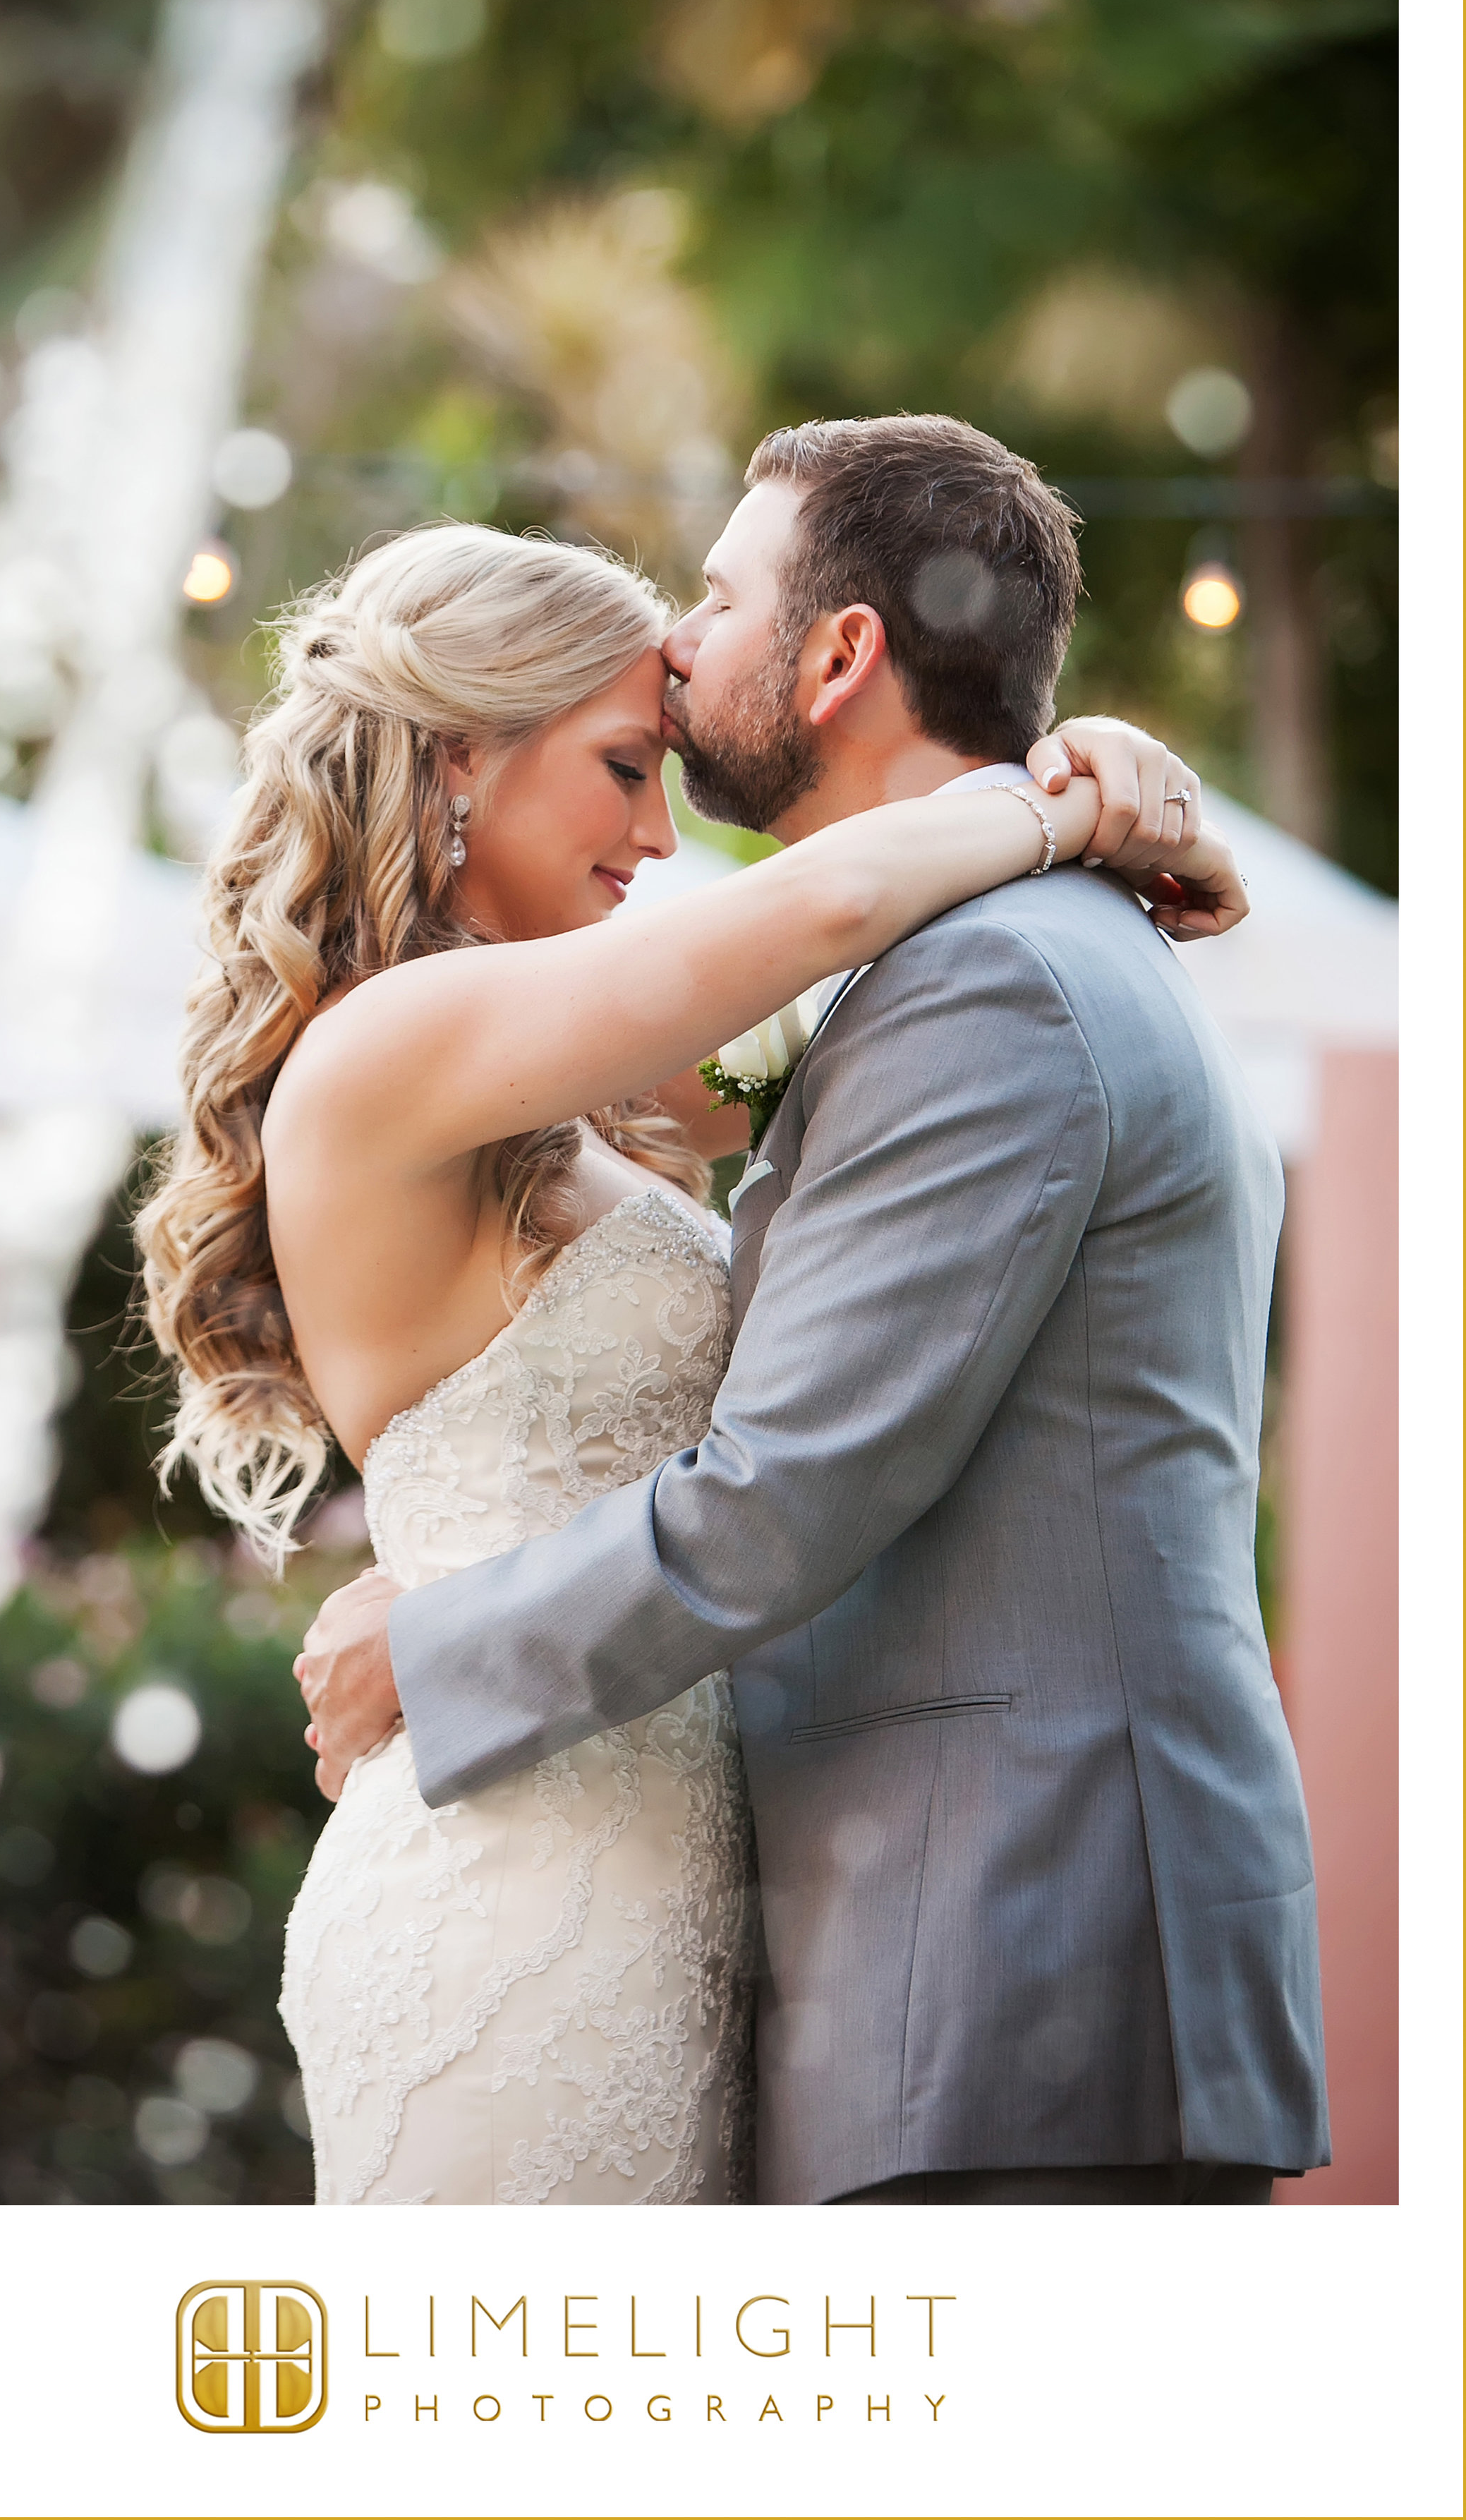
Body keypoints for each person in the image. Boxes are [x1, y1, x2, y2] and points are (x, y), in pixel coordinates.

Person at [140, 468, 1242, 2205]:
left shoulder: (612, 1087)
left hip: (690, 1882)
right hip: (511, 1879)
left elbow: (857, 1025)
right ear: (451, 756)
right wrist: (1058, 799)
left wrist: (1080, 758)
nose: (657, 837)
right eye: (617, 766)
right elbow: (813, 916)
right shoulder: (386, 1048)